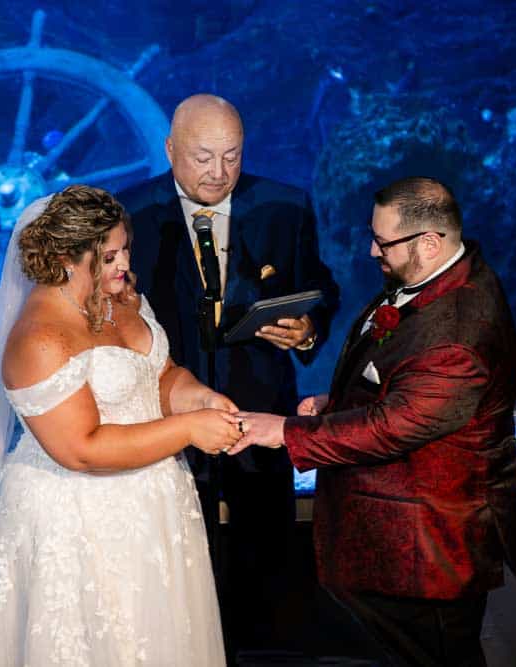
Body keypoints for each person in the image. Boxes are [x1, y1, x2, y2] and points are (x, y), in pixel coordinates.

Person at [0, 185, 242, 666]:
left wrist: (197, 398)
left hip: (154, 506)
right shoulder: (40, 337)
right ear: (67, 258)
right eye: (110, 255)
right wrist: (188, 430)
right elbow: (81, 447)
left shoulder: (121, 297)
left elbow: (157, 374)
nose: (123, 265)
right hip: (81, 518)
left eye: (125, 250)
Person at [231, 177, 516, 666]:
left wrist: (281, 430)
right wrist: (340, 400)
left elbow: (394, 425)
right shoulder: (429, 279)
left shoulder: (458, 331)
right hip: (402, 547)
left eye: (383, 241)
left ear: (429, 243)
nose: (371, 250)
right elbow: (402, 383)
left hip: (426, 552)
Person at [118, 94, 340, 655]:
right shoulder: (128, 215)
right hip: (159, 418)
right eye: (202, 157)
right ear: (169, 149)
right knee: (170, 566)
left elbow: (321, 287)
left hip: (258, 415)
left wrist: (308, 329)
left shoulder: (284, 206)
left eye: (232, 157)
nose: (219, 173)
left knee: (264, 563)